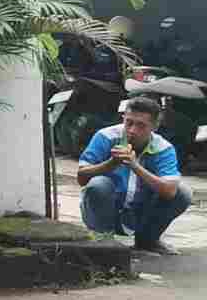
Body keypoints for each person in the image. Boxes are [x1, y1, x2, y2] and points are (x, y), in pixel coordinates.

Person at [78, 97, 192, 255]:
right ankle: (104, 241)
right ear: (123, 118)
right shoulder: (105, 136)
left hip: (140, 213)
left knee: (183, 193)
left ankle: (147, 241)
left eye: (141, 125)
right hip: (106, 209)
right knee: (98, 184)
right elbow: (81, 177)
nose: (132, 130)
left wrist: (134, 165)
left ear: (155, 126)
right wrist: (111, 163)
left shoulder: (163, 148)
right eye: (129, 122)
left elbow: (170, 192)